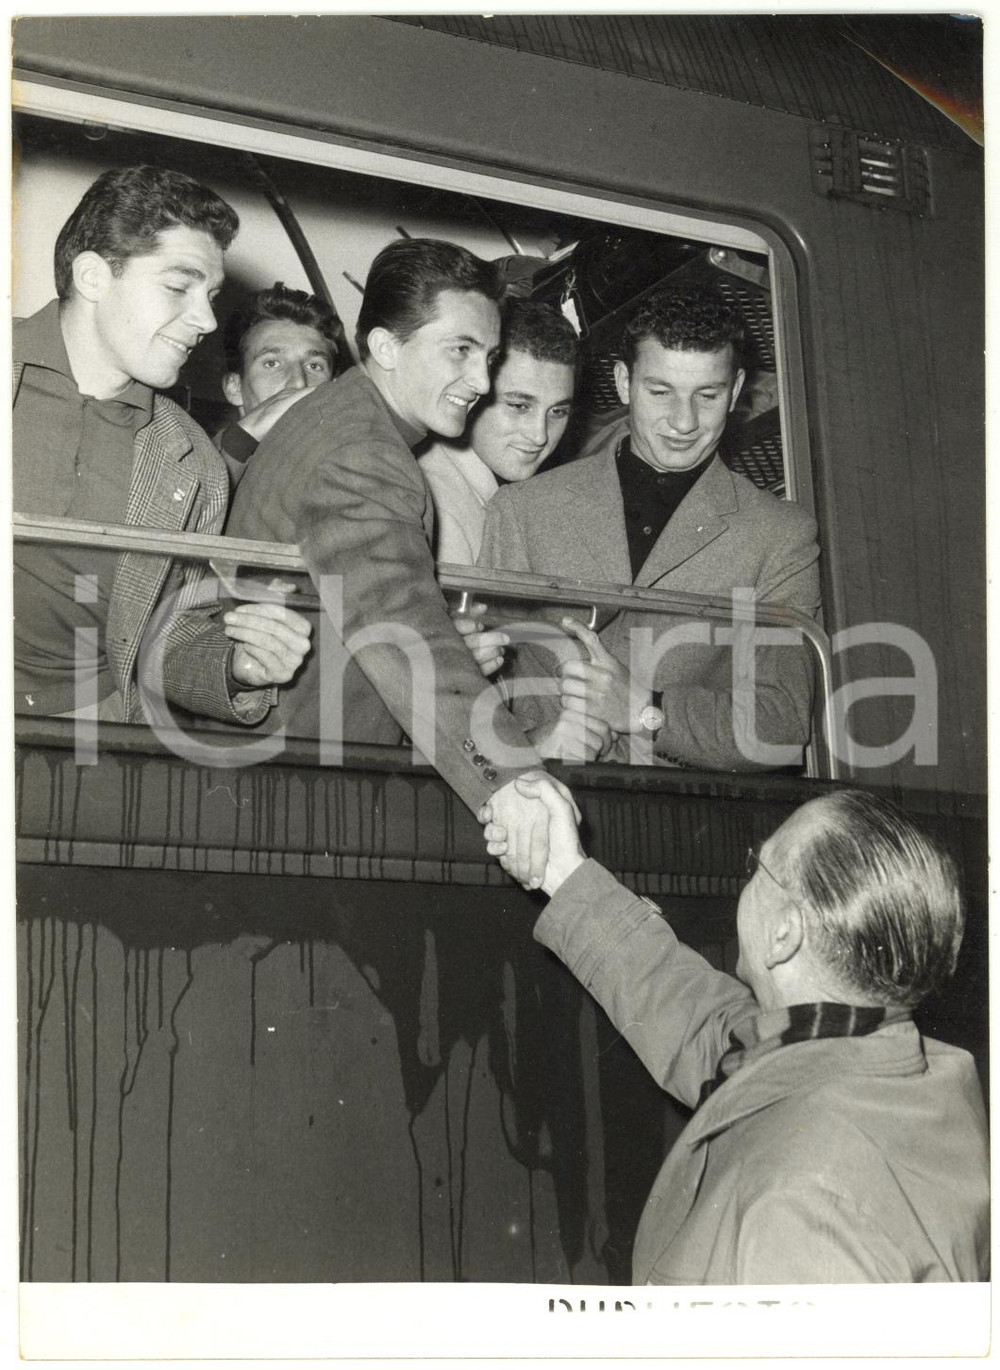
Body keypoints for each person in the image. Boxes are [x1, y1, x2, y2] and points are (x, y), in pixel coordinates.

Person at [481, 774, 989, 1284]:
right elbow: (702, 1021)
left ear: (783, 933)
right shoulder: (884, 1061)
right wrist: (566, 874)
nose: (749, 878)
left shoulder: (806, 1213)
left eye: (759, 865)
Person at [227, 238, 569, 886]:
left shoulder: (345, 422)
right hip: (306, 790)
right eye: (460, 351)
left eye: (490, 357)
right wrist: (516, 784)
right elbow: (400, 629)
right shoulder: (367, 451)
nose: (482, 382)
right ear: (385, 348)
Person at [478, 284, 821, 772]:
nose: (684, 421)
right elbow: (479, 695)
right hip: (542, 801)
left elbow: (781, 725)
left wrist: (644, 710)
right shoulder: (521, 509)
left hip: (687, 819)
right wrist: (535, 742)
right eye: (660, 392)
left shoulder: (780, 536)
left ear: (737, 391)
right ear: (623, 383)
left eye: (708, 394)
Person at [13, 165, 311, 726]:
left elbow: (160, 638)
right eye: (179, 286)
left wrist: (238, 667)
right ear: (94, 277)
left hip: (86, 734)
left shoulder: (193, 461)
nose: (204, 319)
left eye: (211, 295)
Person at [418, 298, 577, 565]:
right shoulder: (434, 504)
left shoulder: (534, 495)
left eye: (557, 412)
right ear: (474, 391)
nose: (539, 436)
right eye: (518, 406)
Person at [215, 282, 339, 489]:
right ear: (234, 387)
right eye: (272, 363)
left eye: (314, 366)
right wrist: (241, 440)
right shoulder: (193, 464)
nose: (299, 382)